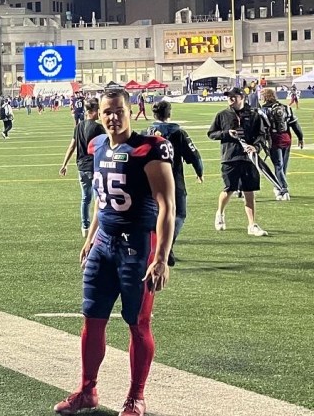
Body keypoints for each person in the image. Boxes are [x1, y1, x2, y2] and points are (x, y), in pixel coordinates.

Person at [53, 88, 175, 416]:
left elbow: (167, 205)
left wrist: (161, 258)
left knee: (138, 323)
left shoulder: (149, 149)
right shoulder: (96, 145)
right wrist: (91, 237)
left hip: (138, 246)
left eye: (119, 110)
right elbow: (100, 198)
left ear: (130, 111)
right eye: (107, 111)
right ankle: (87, 390)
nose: (113, 117)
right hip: (103, 244)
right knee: (92, 320)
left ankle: (136, 396)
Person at [146, 101, 204, 265]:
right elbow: (194, 155)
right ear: (169, 113)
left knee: (157, 215)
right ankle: (167, 245)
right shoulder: (178, 133)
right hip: (174, 179)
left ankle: (157, 248)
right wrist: (199, 171)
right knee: (179, 214)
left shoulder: (146, 133)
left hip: (151, 181)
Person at [207, 87, 269, 236]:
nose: (230, 98)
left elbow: (261, 135)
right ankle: (220, 213)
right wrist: (226, 133)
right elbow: (211, 133)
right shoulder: (222, 115)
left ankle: (252, 224)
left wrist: (255, 147)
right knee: (229, 189)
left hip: (248, 158)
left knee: (249, 191)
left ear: (242, 97)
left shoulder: (254, 115)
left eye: (233, 96)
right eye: (228, 96)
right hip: (230, 157)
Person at [59, 97, 107, 237]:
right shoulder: (98, 128)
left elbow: (72, 146)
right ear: (94, 111)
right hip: (94, 167)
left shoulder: (79, 126)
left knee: (85, 198)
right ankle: (99, 228)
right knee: (99, 199)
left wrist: (64, 164)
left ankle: (85, 227)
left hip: (81, 167)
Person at [260, 88, 304, 201]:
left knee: (278, 166)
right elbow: (294, 124)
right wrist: (300, 137)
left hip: (274, 140)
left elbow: (261, 128)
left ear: (265, 97)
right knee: (283, 166)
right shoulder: (286, 108)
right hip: (287, 139)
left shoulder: (263, 110)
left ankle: (283, 189)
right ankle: (278, 186)